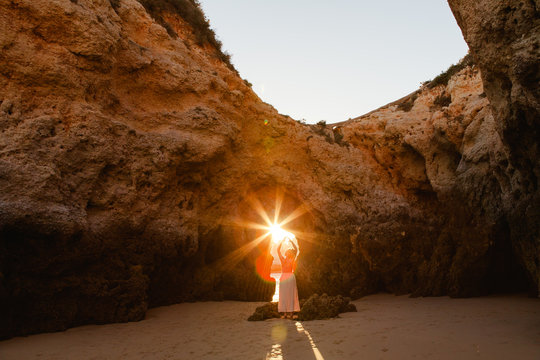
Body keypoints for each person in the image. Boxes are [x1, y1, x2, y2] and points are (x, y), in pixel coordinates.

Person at [277, 237, 300, 319]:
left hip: (290, 276)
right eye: (287, 252)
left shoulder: (292, 259)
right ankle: (285, 313)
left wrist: (292, 242)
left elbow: (296, 250)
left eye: (289, 252)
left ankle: (291, 313)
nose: (288, 253)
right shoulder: (282, 259)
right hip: (283, 277)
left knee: (290, 294)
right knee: (283, 295)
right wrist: (282, 241)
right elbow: (278, 250)